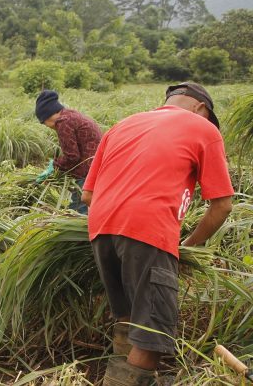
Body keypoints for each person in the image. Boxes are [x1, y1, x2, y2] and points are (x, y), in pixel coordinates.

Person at [81, 82, 233, 385]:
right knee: (152, 334)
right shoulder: (203, 128)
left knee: (128, 318)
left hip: (100, 228)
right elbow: (223, 206)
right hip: (147, 229)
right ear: (200, 108)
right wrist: (187, 247)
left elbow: (87, 195)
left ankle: (119, 373)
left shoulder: (123, 124)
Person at [35, 90, 102, 214]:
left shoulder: (63, 122)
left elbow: (72, 157)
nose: (46, 126)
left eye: (43, 122)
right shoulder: (71, 115)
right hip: (96, 165)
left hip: (87, 169)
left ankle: (79, 231)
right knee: (86, 203)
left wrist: (54, 166)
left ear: (48, 115)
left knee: (77, 209)